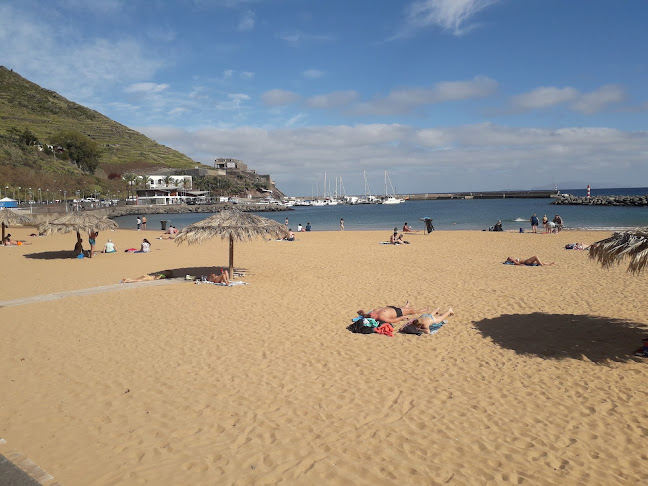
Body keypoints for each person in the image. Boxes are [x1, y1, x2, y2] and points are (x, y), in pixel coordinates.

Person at [357, 302, 428, 324]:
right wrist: (402, 317)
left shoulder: (371, 314)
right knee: (411, 311)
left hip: (391, 308)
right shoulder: (381, 317)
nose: (370, 314)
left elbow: (364, 314)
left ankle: (406, 306)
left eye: (370, 314)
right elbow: (393, 321)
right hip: (398, 312)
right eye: (370, 316)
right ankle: (422, 310)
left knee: (403, 308)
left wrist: (361, 312)